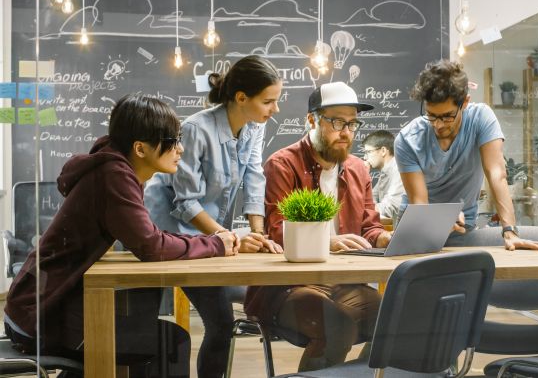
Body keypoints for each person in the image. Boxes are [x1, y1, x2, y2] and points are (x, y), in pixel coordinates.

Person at [4, 94, 240, 378]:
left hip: (35, 309)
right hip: (42, 318)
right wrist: (215, 243)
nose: (180, 149)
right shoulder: (114, 175)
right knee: (171, 341)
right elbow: (151, 246)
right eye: (172, 141)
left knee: (153, 330)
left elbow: (146, 237)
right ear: (140, 148)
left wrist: (209, 242)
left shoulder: (113, 168)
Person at [144, 55, 283, 378]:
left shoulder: (252, 127)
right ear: (241, 98)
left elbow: (252, 176)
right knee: (219, 323)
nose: (275, 110)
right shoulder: (195, 129)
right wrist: (228, 237)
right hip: (172, 233)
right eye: (268, 102)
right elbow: (186, 202)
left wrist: (257, 232)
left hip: (209, 236)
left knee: (234, 312)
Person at [245, 81, 389, 373]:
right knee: (338, 328)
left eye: (352, 123)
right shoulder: (283, 164)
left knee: (398, 319)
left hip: (344, 283)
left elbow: (369, 228)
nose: (346, 132)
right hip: (288, 288)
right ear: (311, 120)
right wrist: (326, 243)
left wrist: (386, 237)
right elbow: (277, 233)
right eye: (337, 122)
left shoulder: (359, 169)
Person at [395, 59, 538, 251]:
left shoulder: (480, 119)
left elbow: (496, 174)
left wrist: (510, 231)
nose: (437, 125)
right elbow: (419, 203)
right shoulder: (407, 140)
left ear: (465, 103)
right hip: (418, 230)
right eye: (431, 115)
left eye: (447, 116)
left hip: (464, 230)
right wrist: (440, 221)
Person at [361, 130, 405, 221]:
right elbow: (370, 198)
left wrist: (362, 209)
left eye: (368, 152)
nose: (365, 158)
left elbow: (389, 208)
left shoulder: (399, 169)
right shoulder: (385, 171)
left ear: (383, 151)